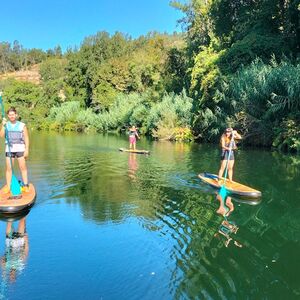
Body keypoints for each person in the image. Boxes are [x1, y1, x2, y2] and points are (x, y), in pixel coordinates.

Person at [0, 107, 30, 193]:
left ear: (16, 115)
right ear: (8, 116)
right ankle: (9, 187)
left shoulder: (22, 125)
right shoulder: (6, 125)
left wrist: (27, 149)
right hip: (9, 149)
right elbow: (1, 136)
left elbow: (26, 138)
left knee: (22, 167)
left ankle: (25, 185)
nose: (11, 116)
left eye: (13, 114)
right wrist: (3, 125)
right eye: (10, 115)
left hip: (20, 148)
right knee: (9, 168)